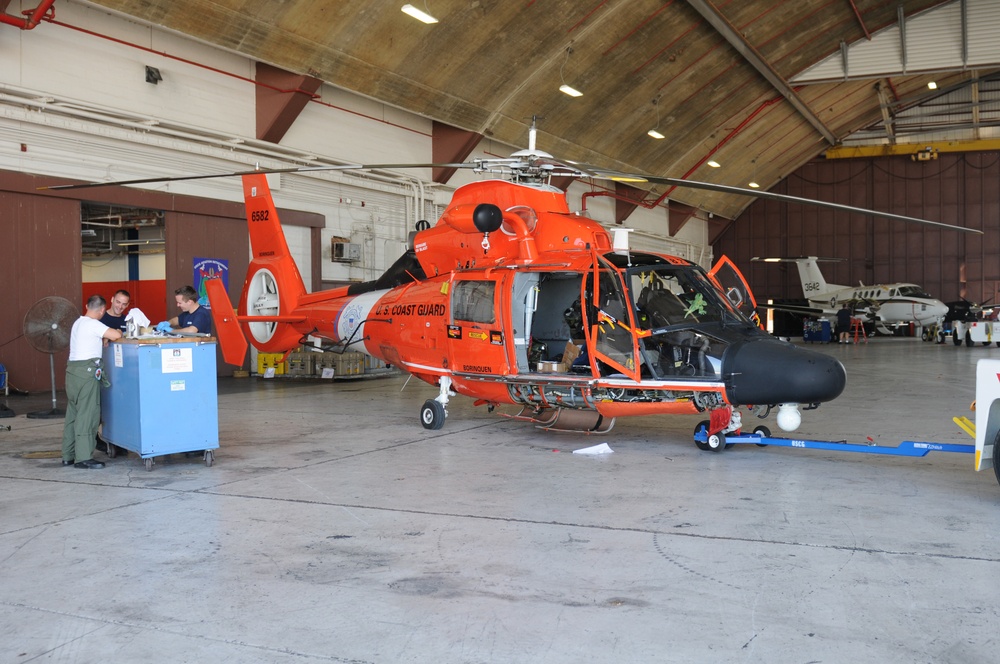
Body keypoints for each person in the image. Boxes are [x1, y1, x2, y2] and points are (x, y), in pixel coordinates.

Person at [62, 295, 122, 469]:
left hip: (72, 373)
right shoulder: (94, 324)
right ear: (103, 310)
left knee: (73, 415)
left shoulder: (78, 323)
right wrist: (110, 334)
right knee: (88, 416)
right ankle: (83, 458)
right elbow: (116, 335)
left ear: (87, 306)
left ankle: (68, 455)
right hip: (86, 375)